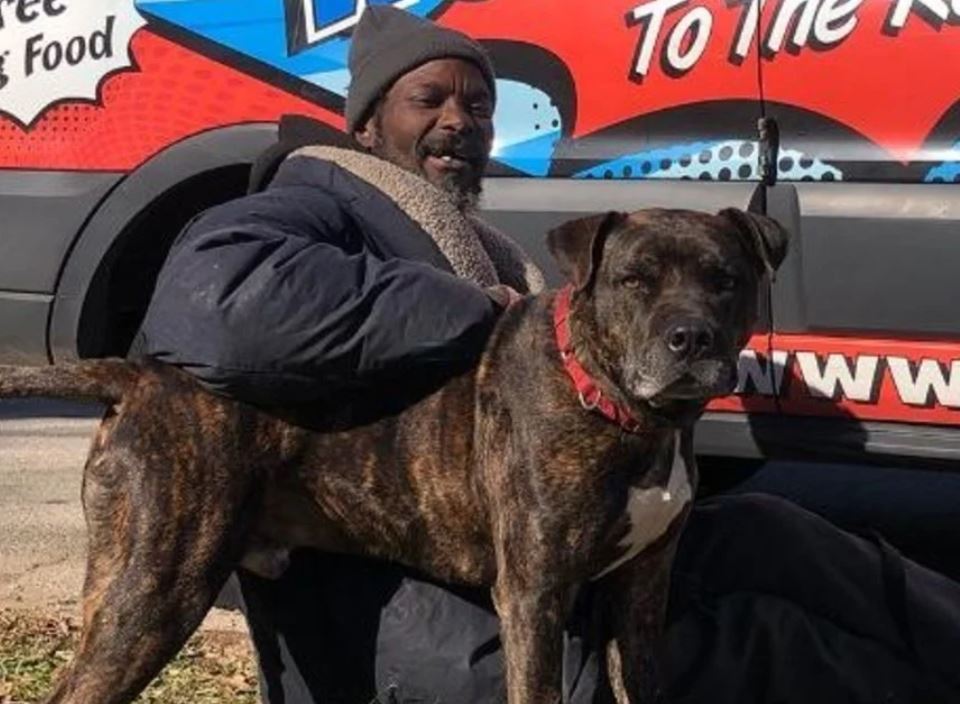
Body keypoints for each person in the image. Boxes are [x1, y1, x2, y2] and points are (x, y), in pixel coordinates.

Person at [136, 6, 960, 703]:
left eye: (480, 105)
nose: (460, 120)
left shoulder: (483, 241)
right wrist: (471, 311)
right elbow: (209, 307)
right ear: (364, 122)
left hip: (559, 535)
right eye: (429, 99)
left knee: (777, 536)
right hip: (387, 584)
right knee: (743, 643)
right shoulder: (311, 200)